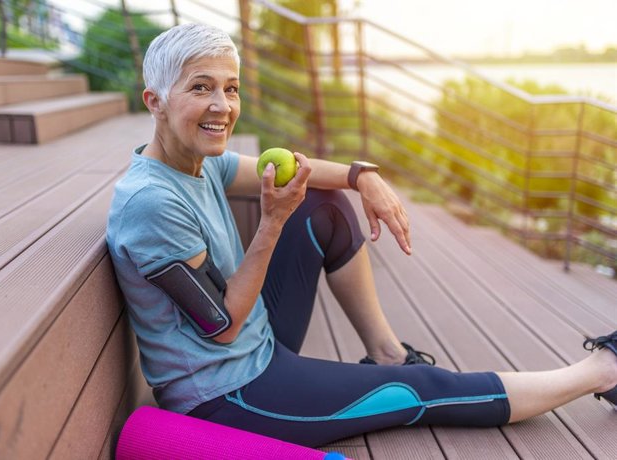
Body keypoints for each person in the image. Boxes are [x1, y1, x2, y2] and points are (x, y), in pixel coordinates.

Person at [106, 23, 617, 447]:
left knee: (324, 204)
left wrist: (362, 175)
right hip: (228, 396)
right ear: (155, 100)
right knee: (420, 390)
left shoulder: (194, 163)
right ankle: (600, 372)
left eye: (231, 87)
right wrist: (271, 223)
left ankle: (387, 351)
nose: (222, 104)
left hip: (256, 347)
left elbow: (307, 171)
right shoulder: (152, 203)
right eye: (201, 87)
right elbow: (222, 328)